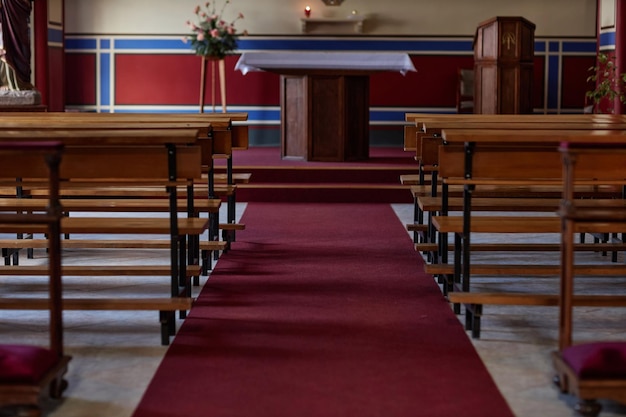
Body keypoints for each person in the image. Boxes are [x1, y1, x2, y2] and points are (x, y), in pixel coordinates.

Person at [0, 0, 34, 90]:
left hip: (18, 12)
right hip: (4, 13)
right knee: (5, 46)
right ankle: (6, 81)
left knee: (21, 46)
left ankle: (22, 81)